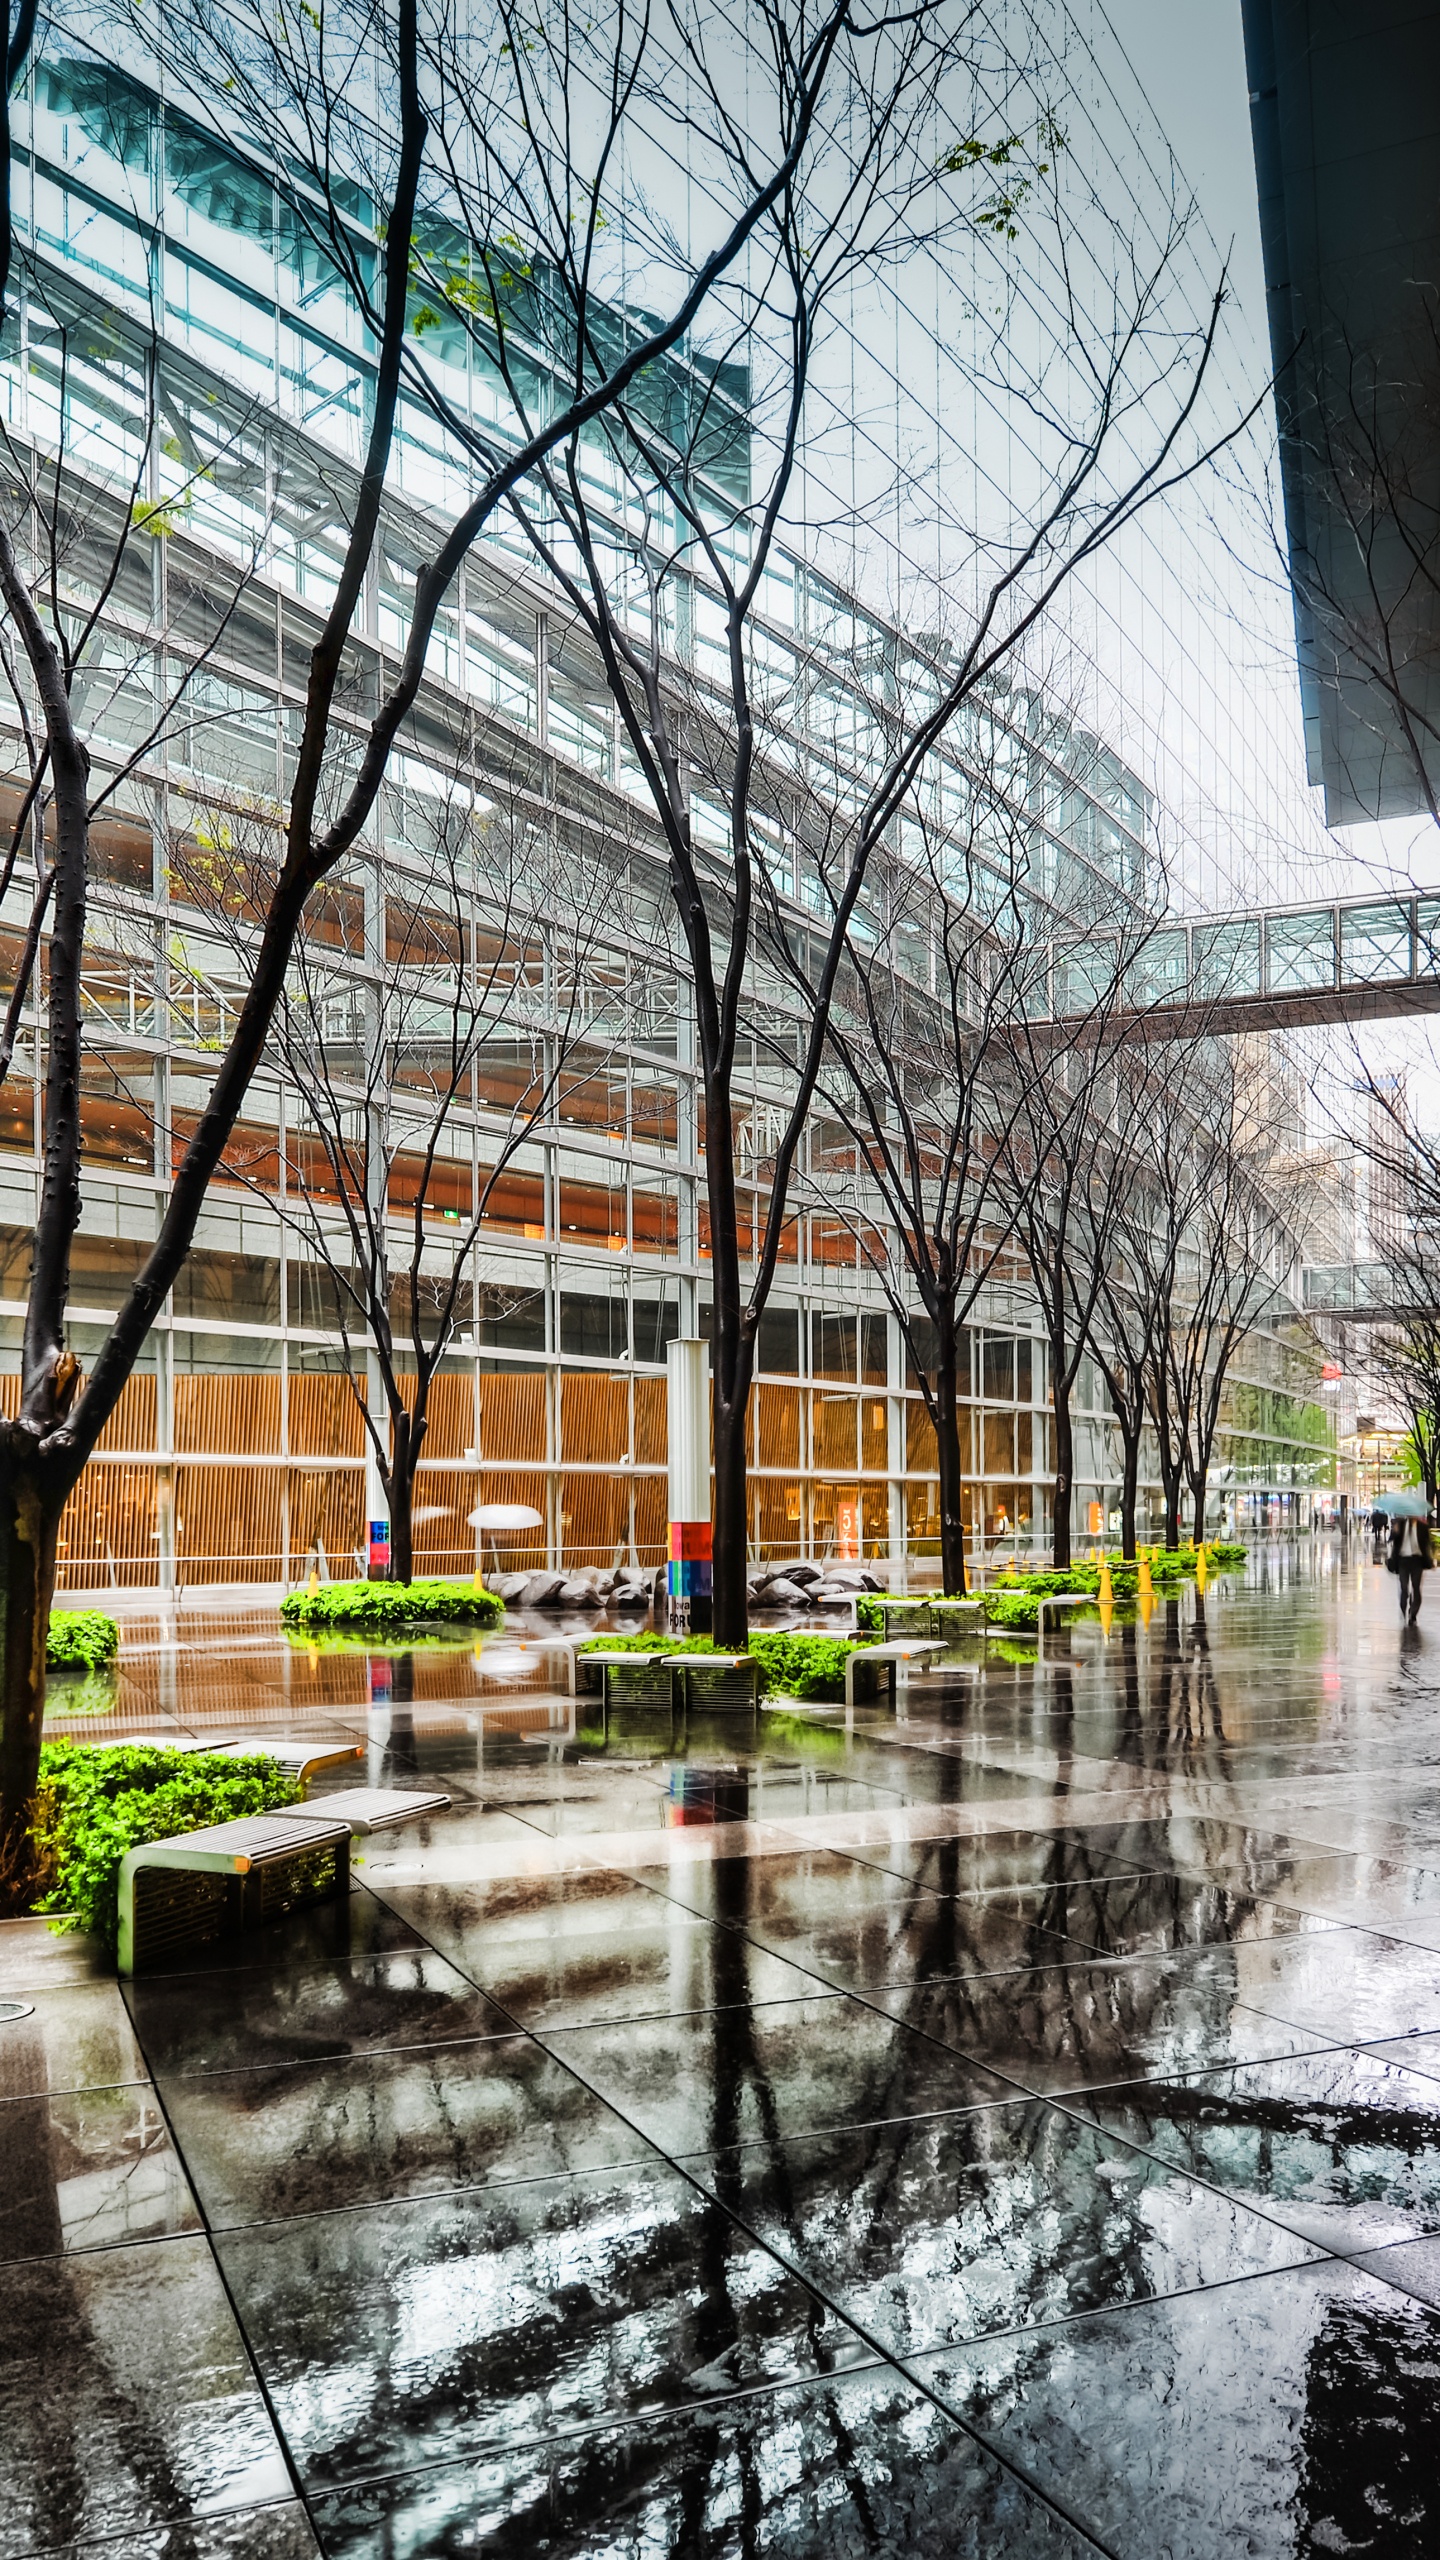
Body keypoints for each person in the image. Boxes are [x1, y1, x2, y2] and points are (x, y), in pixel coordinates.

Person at [1387, 1510, 1434, 1623]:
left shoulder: (1423, 1527)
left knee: (1416, 1587)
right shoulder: (1400, 1525)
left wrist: (1432, 1559)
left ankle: (1413, 1613)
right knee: (1404, 1587)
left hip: (1417, 1560)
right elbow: (1390, 1540)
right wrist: (1395, 1532)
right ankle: (1403, 1607)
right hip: (1403, 1560)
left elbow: (1429, 1544)